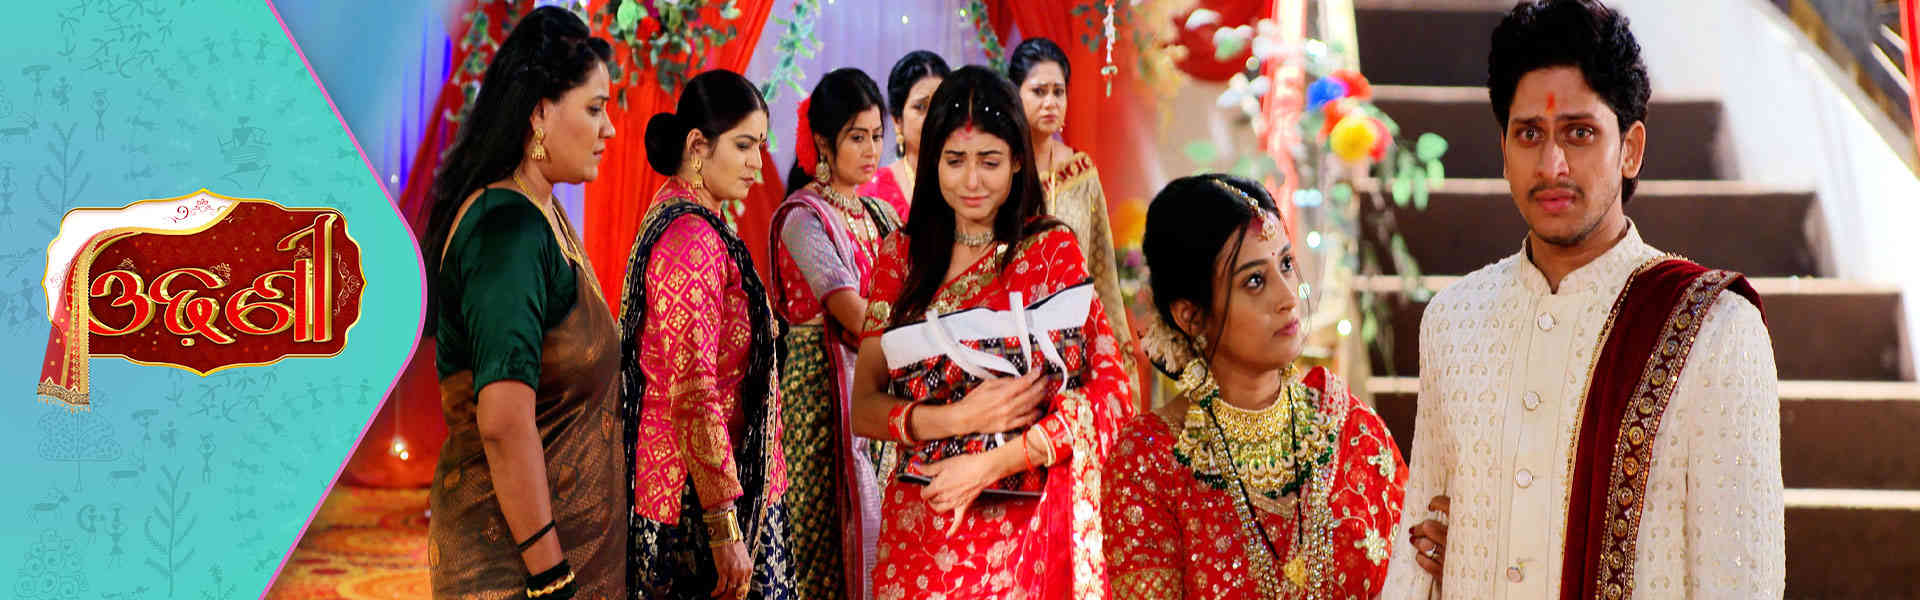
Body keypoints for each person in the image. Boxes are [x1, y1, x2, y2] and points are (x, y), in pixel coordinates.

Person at [1380, 2, 1784, 598]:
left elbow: (1741, 582)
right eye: (1529, 134)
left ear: (1630, 149)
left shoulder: (1716, 330)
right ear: (1504, 150)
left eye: (1580, 133)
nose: (1552, 165)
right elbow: (1419, 555)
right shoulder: (1454, 321)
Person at [850, 65, 1134, 599]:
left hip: (1023, 533)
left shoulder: (1050, 252)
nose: (972, 182)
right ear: (932, 159)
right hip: (922, 524)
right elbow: (863, 407)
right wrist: (960, 418)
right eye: (955, 160)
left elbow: (1111, 394)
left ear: (1018, 161)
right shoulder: (900, 258)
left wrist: (988, 465)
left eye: (990, 161)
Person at [1103, 173, 1408, 598]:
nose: (1288, 297)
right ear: (1191, 315)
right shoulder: (1149, 462)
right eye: (1254, 281)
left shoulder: (1351, 429)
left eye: (1286, 264)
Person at [419, 7, 620, 599]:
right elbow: (505, 424)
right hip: (516, 574)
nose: (609, 129)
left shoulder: (541, 212)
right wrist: (551, 576)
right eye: (594, 108)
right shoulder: (506, 231)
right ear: (539, 113)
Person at [623, 69, 794, 600]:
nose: (756, 162)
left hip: (708, 487)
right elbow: (694, 388)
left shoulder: (695, 219)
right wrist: (723, 524)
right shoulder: (691, 238)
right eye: (743, 145)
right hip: (696, 504)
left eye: (760, 145)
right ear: (698, 146)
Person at [769, 66, 901, 600]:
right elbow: (852, 312)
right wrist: (923, 329)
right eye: (856, 137)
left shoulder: (881, 214)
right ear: (824, 143)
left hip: (877, 391)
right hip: (820, 405)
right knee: (821, 549)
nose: (871, 151)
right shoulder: (803, 218)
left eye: (877, 136)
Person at [1008, 37, 1137, 390]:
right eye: (1038, 91)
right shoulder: (1000, 169)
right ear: (1015, 95)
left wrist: (1116, 349)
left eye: (1058, 92)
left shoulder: (1080, 172)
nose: (1051, 102)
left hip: (1074, 340)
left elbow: (1101, 266)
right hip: (1010, 339)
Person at [858, 50, 950, 220]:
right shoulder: (875, 194)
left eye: (941, 105)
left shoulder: (970, 182)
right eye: (921, 107)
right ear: (897, 120)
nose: (934, 117)